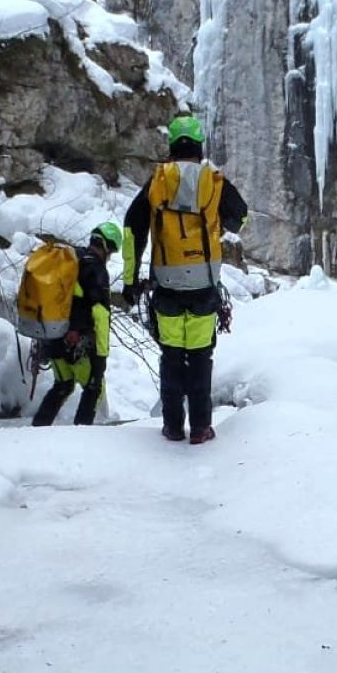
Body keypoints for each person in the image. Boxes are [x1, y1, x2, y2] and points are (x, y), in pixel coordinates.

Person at [122, 115, 248, 444]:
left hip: (166, 289)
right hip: (204, 288)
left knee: (172, 358)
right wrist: (214, 225)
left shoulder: (156, 183)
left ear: (172, 146)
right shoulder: (214, 181)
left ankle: (173, 426)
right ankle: (202, 427)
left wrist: (130, 279)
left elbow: (132, 228)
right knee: (201, 358)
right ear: (198, 145)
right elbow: (241, 217)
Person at [31, 222, 122, 427]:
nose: (110, 256)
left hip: (52, 336)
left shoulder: (70, 260)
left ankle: (37, 429)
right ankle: (82, 437)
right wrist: (101, 355)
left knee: (63, 385)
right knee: (93, 388)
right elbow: (100, 316)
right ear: (106, 246)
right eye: (112, 251)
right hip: (77, 344)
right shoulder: (95, 270)